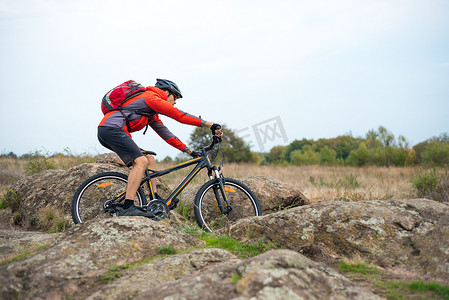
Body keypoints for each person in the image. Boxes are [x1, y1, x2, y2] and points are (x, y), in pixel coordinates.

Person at [98, 79, 223, 217]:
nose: (175, 102)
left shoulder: (151, 112)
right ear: (166, 92)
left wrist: (189, 151)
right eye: (175, 97)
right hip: (111, 130)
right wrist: (210, 125)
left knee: (149, 159)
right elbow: (180, 116)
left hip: (110, 130)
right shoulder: (150, 98)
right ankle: (128, 206)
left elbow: (166, 134)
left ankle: (155, 199)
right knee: (141, 162)